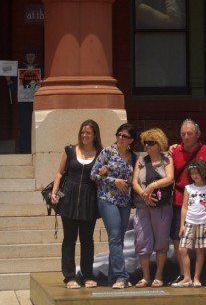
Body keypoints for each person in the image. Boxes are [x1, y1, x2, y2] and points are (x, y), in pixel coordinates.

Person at [50, 119, 102, 289]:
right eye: (82, 132)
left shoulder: (101, 153)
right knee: (69, 239)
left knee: (87, 240)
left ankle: (87, 275)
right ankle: (70, 276)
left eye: (88, 132)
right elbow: (60, 173)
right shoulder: (70, 150)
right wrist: (54, 192)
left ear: (95, 135)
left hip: (89, 200)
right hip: (69, 199)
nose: (84, 135)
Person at [170, 118, 206, 286]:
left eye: (190, 133)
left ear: (198, 134)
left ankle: (198, 276)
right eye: (183, 134)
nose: (186, 137)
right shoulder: (175, 151)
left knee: (201, 245)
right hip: (181, 200)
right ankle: (184, 274)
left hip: (204, 204)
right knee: (179, 239)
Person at [91, 122, 137, 288]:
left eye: (124, 136)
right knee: (115, 237)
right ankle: (121, 276)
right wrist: (113, 180)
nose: (120, 138)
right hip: (107, 198)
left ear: (131, 140)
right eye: (118, 134)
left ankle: (113, 278)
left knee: (119, 240)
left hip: (124, 202)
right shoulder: (107, 152)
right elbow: (93, 174)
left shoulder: (134, 157)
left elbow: (135, 179)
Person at [131, 128, 174, 288]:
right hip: (143, 206)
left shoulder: (166, 159)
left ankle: (159, 275)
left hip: (162, 206)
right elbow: (135, 182)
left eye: (150, 142)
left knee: (161, 241)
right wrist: (144, 194)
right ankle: (146, 276)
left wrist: (152, 186)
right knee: (142, 240)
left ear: (159, 144)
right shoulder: (141, 160)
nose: (146, 146)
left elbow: (170, 178)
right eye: (145, 142)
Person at [176, 159, 206, 288]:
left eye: (197, 173)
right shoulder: (188, 188)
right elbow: (184, 206)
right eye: (192, 173)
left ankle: (196, 278)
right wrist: (182, 224)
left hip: (203, 222)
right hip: (189, 222)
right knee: (182, 249)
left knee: (200, 251)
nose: (194, 176)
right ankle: (187, 277)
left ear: (204, 173)